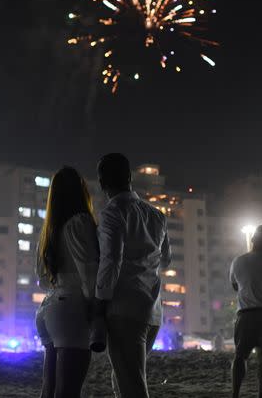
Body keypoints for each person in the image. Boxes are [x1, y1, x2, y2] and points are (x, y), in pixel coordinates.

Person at [94, 153, 171, 398]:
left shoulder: (112, 213)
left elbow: (111, 261)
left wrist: (100, 301)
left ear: (102, 183)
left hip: (124, 310)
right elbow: (166, 260)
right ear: (129, 178)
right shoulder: (157, 215)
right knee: (125, 377)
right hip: (153, 311)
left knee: (132, 385)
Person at [35, 166, 99, 398]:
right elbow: (89, 273)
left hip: (49, 308)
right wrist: (96, 307)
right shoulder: (80, 222)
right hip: (72, 309)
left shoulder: (50, 230)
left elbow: (42, 279)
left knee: (49, 389)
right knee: (68, 390)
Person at [229, 224, 262, 398]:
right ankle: (261, 395)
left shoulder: (238, 261)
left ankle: (235, 394)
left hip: (246, 314)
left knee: (240, 356)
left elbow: (235, 286)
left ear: (252, 239)